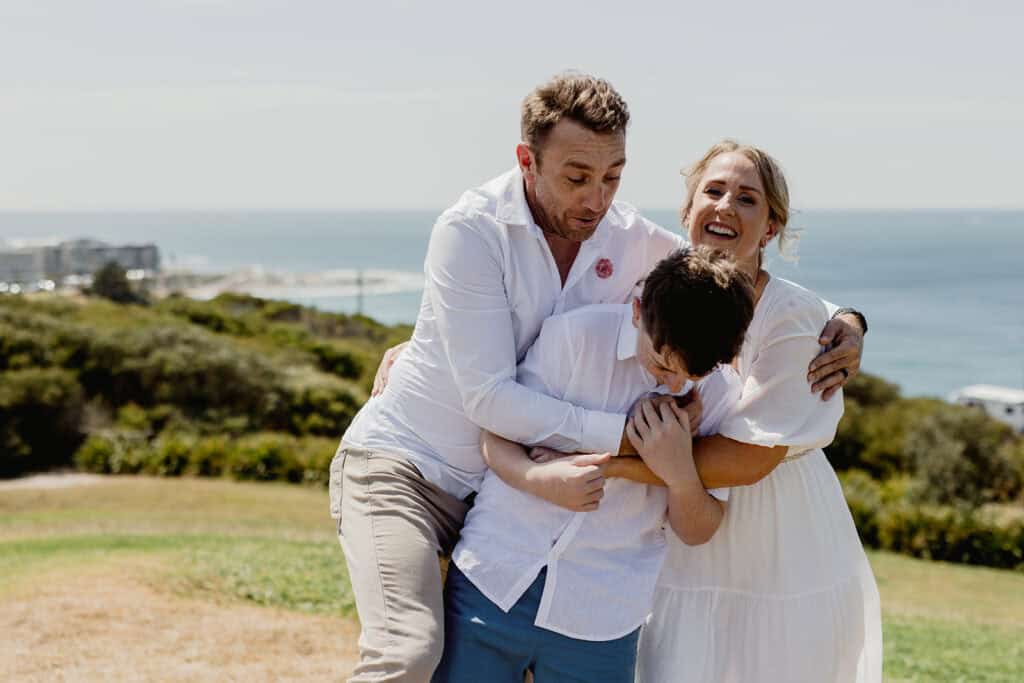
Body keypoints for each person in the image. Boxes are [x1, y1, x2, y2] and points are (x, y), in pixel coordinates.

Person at [331, 73, 865, 682]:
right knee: (407, 652)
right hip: (410, 467)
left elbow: (719, 277)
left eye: (613, 177)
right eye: (577, 177)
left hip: (495, 497)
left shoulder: (632, 241)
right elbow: (487, 399)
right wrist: (637, 440)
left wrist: (845, 319)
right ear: (526, 161)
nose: (596, 199)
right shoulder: (471, 229)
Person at [622, 141, 881, 682]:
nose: (725, 206)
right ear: (687, 209)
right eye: (713, 191)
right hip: (680, 532)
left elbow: (746, 460)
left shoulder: (790, 316)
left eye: (747, 199)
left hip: (779, 537)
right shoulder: (656, 278)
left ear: (769, 228)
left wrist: (609, 462)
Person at [433, 247, 754, 682]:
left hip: (602, 619)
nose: (674, 384)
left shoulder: (718, 394)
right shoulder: (573, 338)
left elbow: (699, 529)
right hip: (493, 578)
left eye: (691, 376)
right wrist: (539, 477)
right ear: (638, 311)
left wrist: (679, 471)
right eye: (662, 364)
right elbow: (494, 435)